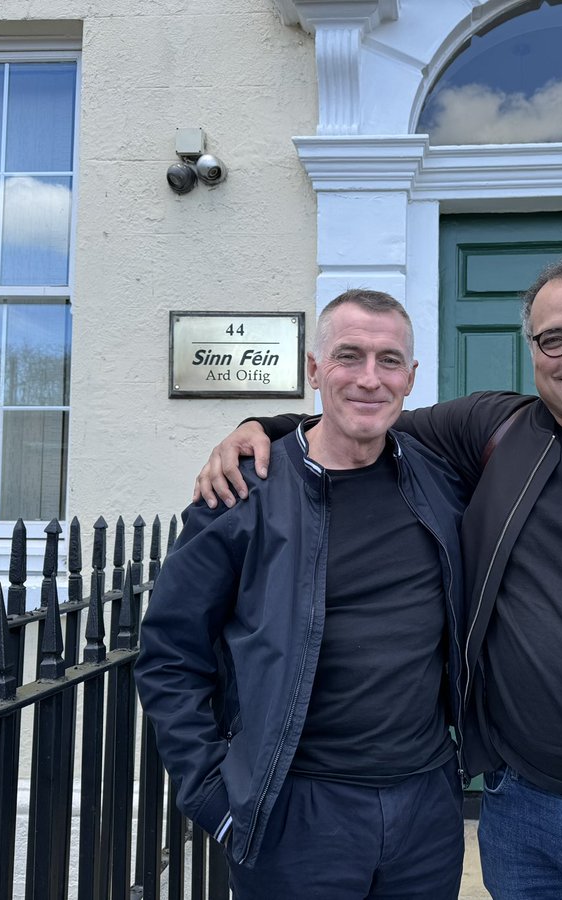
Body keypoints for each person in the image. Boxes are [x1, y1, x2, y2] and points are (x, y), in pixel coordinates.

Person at [196, 253, 562, 900]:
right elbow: (364, 419)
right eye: (553, 339)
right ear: (533, 350)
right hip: (522, 818)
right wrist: (259, 428)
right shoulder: (494, 431)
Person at [136, 289, 469, 899]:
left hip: (426, 805)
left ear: (412, 377)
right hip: (297, 809)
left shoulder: (440, 478)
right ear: (314, 370)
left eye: (389, 360)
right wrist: (215, 795)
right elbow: (169, 655)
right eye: (350, 356)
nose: (371, 378)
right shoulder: (243, 492)